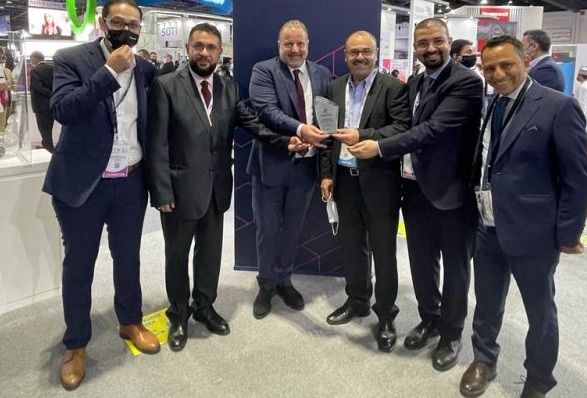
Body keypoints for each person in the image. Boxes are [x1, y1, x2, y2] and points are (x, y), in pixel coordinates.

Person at [146, 23, 303, 352]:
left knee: (210, 255)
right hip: (179, 190)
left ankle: (204, 307)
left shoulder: (228, 86)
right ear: (188, 48)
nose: (205, 53)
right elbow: (156, 143)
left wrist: (286, 140)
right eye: (199, 46)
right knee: (177, 257)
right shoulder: (165, 86)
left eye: (212, 47)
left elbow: (250, 121)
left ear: (220, 51)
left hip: (216, 188)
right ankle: (178, 315)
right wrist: (161, 192)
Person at [459, 35, 587, 398]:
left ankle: (538, 382)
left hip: (534, 231)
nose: (498, 74)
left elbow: (577, 178)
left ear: (525, 62)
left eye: (506, 65)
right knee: (486, 303)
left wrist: (568, 234)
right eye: (490, 68)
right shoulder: (490, 104)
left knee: (541, 312)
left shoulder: (558, 107)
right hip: (487, 226)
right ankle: (484, 360)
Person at [350, 18, 483, 372]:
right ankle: (430, 318)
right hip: (413, 187)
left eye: (436, 41)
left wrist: (377, 146)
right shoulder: (417, 82)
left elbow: (432, 130)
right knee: (422, 262)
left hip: (450, 192)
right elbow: (407, 125)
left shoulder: (467, 82)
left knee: (455, 268)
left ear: (449, 42)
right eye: (422, 43)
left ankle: (452, 334)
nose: (429, 49)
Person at [43, 0, 160, 390]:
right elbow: (63, 109)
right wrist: (108, 72)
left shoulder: (146, 69)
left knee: (128, 258)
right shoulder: (71, 58)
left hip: (130, 180)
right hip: (82, 184)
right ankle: (76, 345)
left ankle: (130, 321)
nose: (125, 29)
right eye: (117, 21)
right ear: (102, 22)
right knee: (79, 266)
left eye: (133, 23)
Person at [319, 31, 410, 351]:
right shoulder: (333, 87)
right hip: (344, 181)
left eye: (366, 52)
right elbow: (329, 136)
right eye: (354, 52)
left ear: (376, 53)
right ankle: (357, 301)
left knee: (384, 253)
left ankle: (385, 314)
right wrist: (327, 174)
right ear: (344, 55)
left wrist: (363, 133)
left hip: (380, 182)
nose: (360, 57)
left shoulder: (394, 88)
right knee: (352, 247)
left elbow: (401, 128)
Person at [247, 19, 330, 318]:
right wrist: (301, 129)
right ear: (278, 45)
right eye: (288, 44)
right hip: (272, 165)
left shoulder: (322, 73)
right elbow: (266, 110)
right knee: (267, 230)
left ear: (308, 45)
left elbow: (326, 115)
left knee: (293, 230)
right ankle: (266, 284)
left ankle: (284, 279)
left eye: (300, 43)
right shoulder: (263, 70)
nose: (295, 49)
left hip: (306, 169)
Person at [29, 51, 54, 153]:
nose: (31, 61)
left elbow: (38, 87)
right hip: (51, 104)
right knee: (49, 126)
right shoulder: (52, 68)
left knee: (44, 128)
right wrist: (53, 94)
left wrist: (49, 93)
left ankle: (49, 148)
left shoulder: (35, 70)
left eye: (31, 59)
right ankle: (46, 144)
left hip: (40, 105)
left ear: (35, 58)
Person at [573, 67, 587, 154]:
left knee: (583, 132)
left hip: (583, 113)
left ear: (581, 75)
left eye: (578, 74)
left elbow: (582, 103)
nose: (577, 76)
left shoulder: (583, 87)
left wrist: (579, 116)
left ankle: (582, 150)